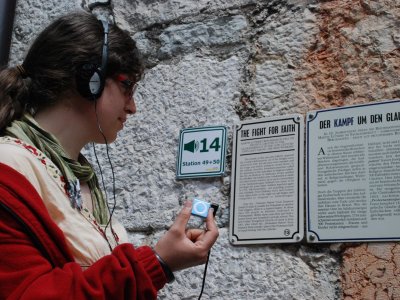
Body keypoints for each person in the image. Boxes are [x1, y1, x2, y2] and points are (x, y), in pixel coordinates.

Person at [0, 10, 219, 299]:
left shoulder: (78, 178)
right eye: (127, 86)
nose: (133, 107)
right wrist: (157, 262)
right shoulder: (8, 173)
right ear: (88, 80)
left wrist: (160, 258)